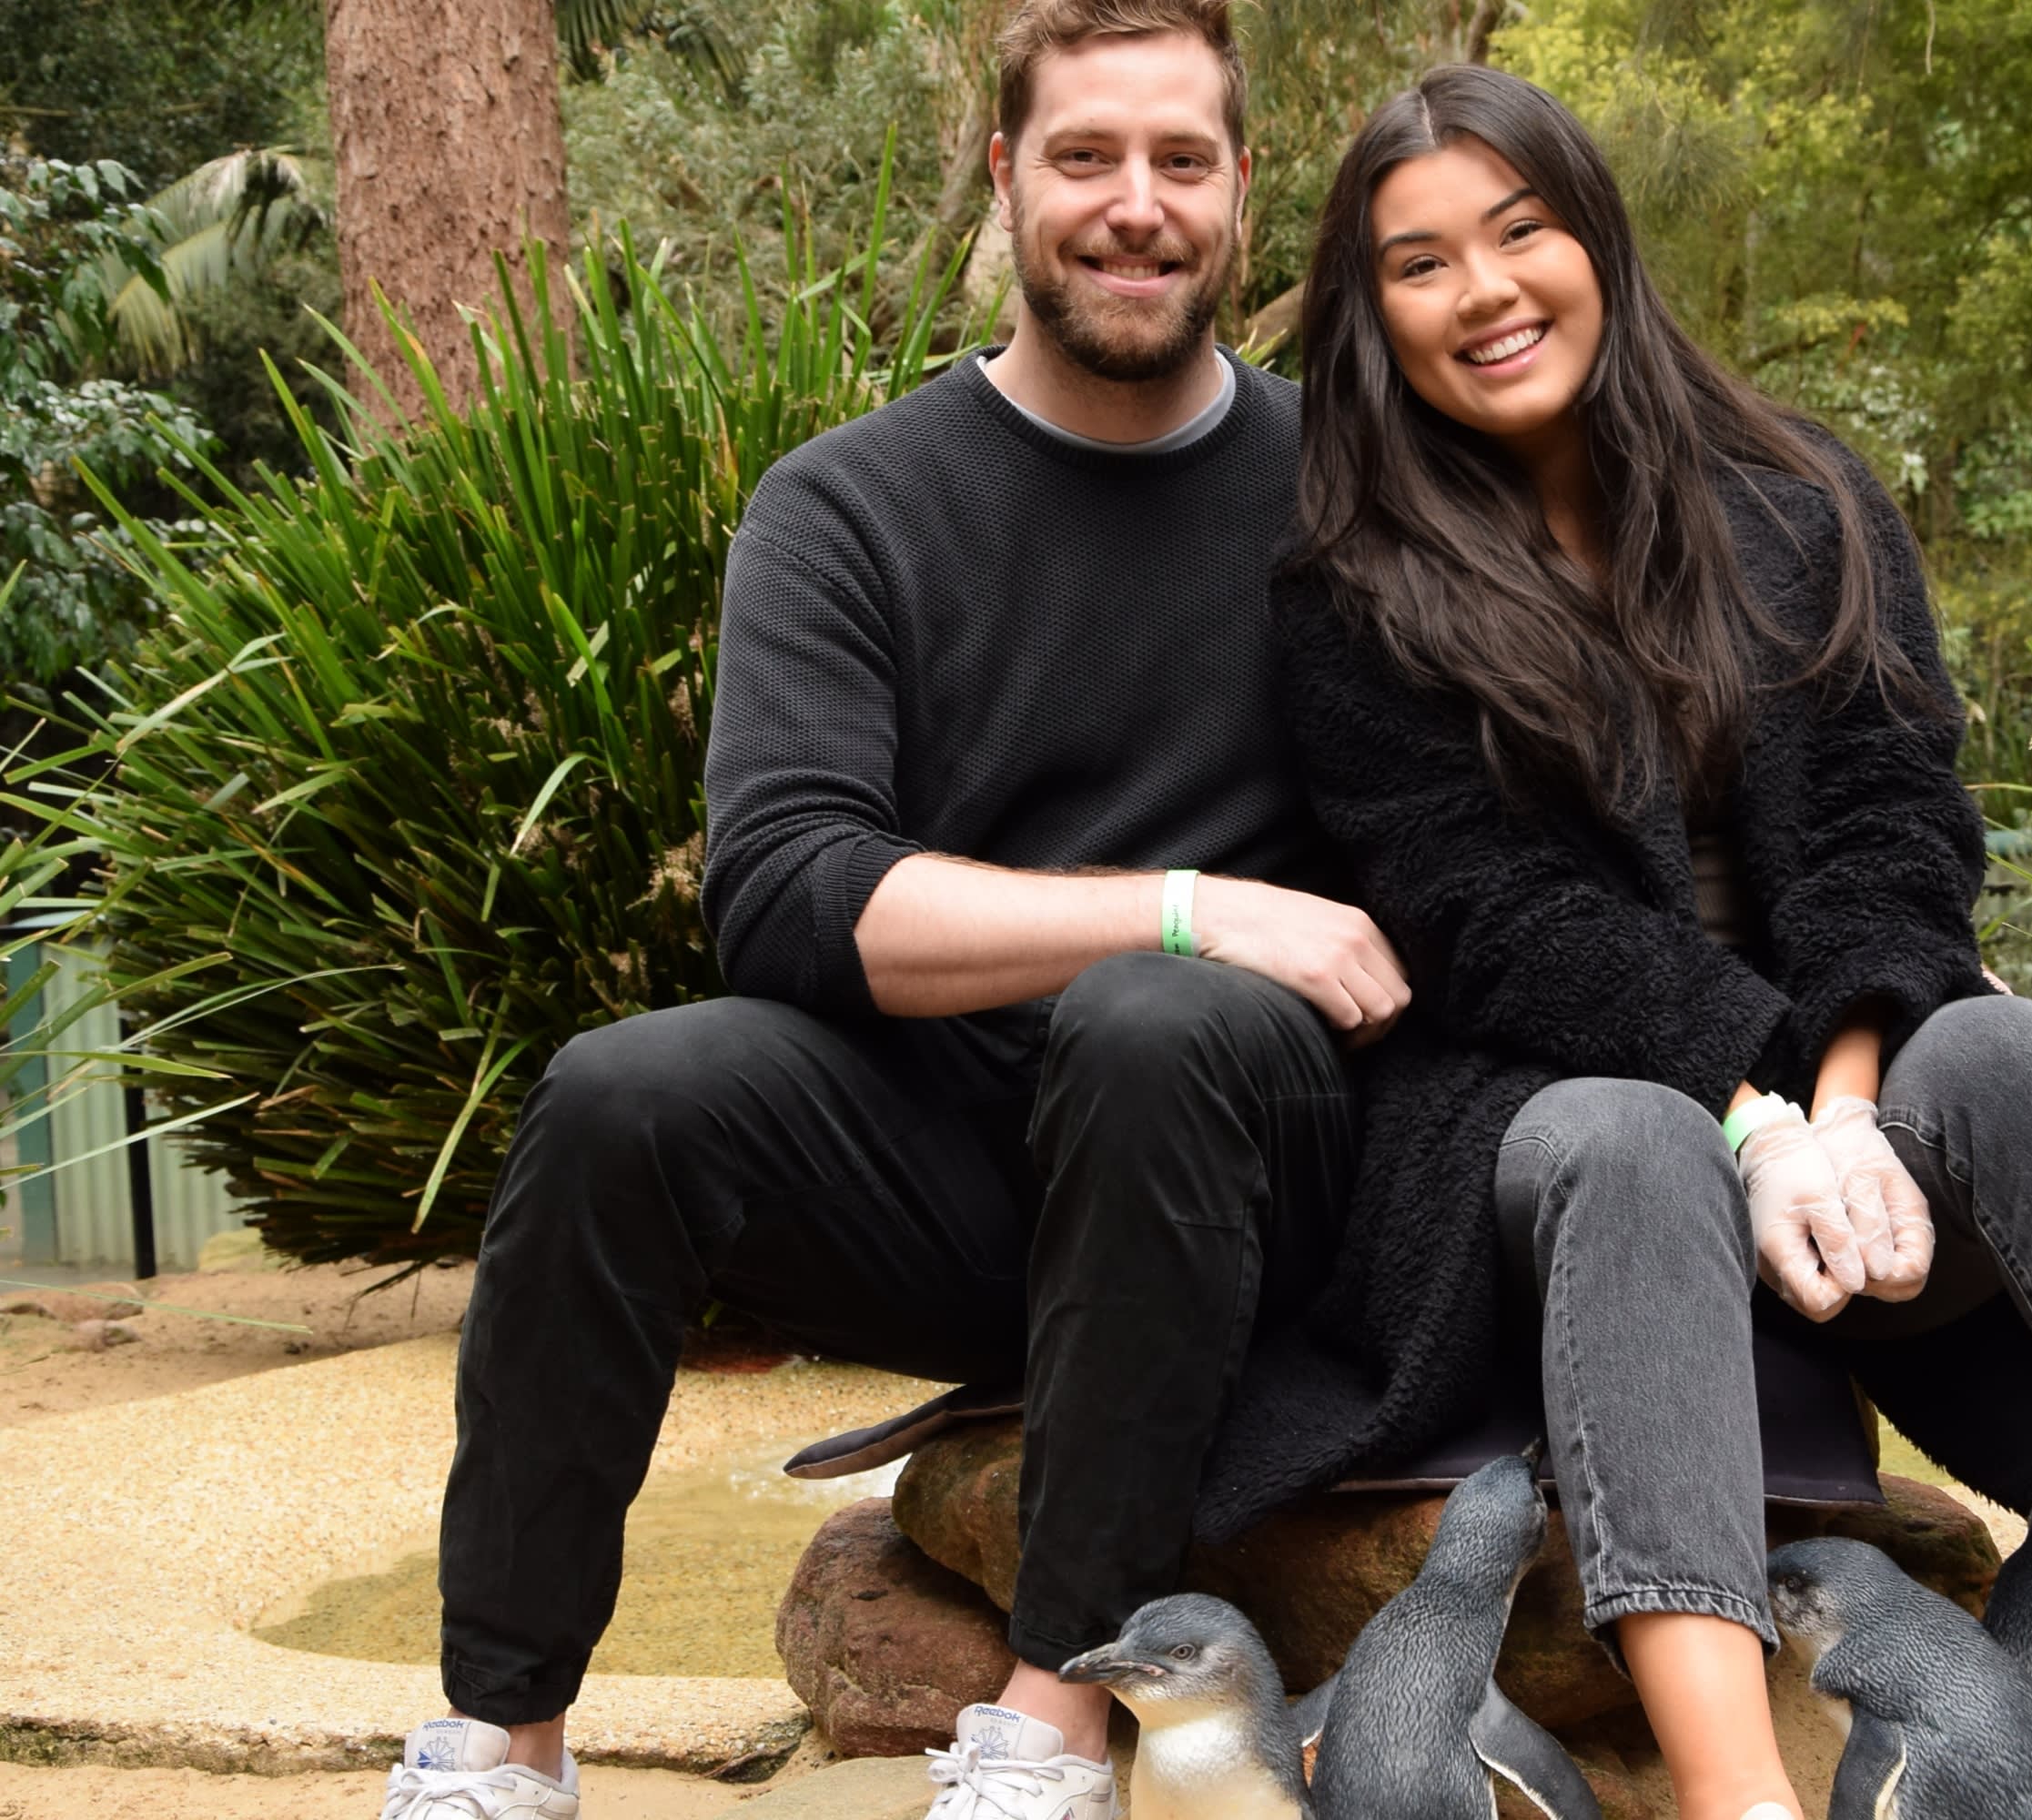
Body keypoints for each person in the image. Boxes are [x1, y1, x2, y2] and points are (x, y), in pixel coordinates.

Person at [1268, 64, 2032, 1820]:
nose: (1485, 291)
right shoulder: (1351, 581)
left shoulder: (1797, 494)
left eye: (1520, 231)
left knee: (2003, 1046)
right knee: (1632, 1139)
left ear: (1595, 239)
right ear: (1373, 312)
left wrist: (1839, 1105)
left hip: (1844, 1123)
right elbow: (1489, 923)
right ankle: (1738, 1794)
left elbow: (1894, 822)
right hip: (1551, 1135)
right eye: (1420, 263)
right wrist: (1749, 1120)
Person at [375, 5, 1412, 1817]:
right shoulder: (847, 506)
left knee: (1152, 1022)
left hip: (1258, 1176)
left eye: (1182, 159)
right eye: (1086, 156)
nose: (1138, 203)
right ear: (1007, 177)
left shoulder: (1358, 491)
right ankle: (500, 1744)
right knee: (622, 1093)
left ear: (1244, 188)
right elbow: (787, 891)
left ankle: (1049, 1730)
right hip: (955, 1182)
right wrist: (1184, 904)